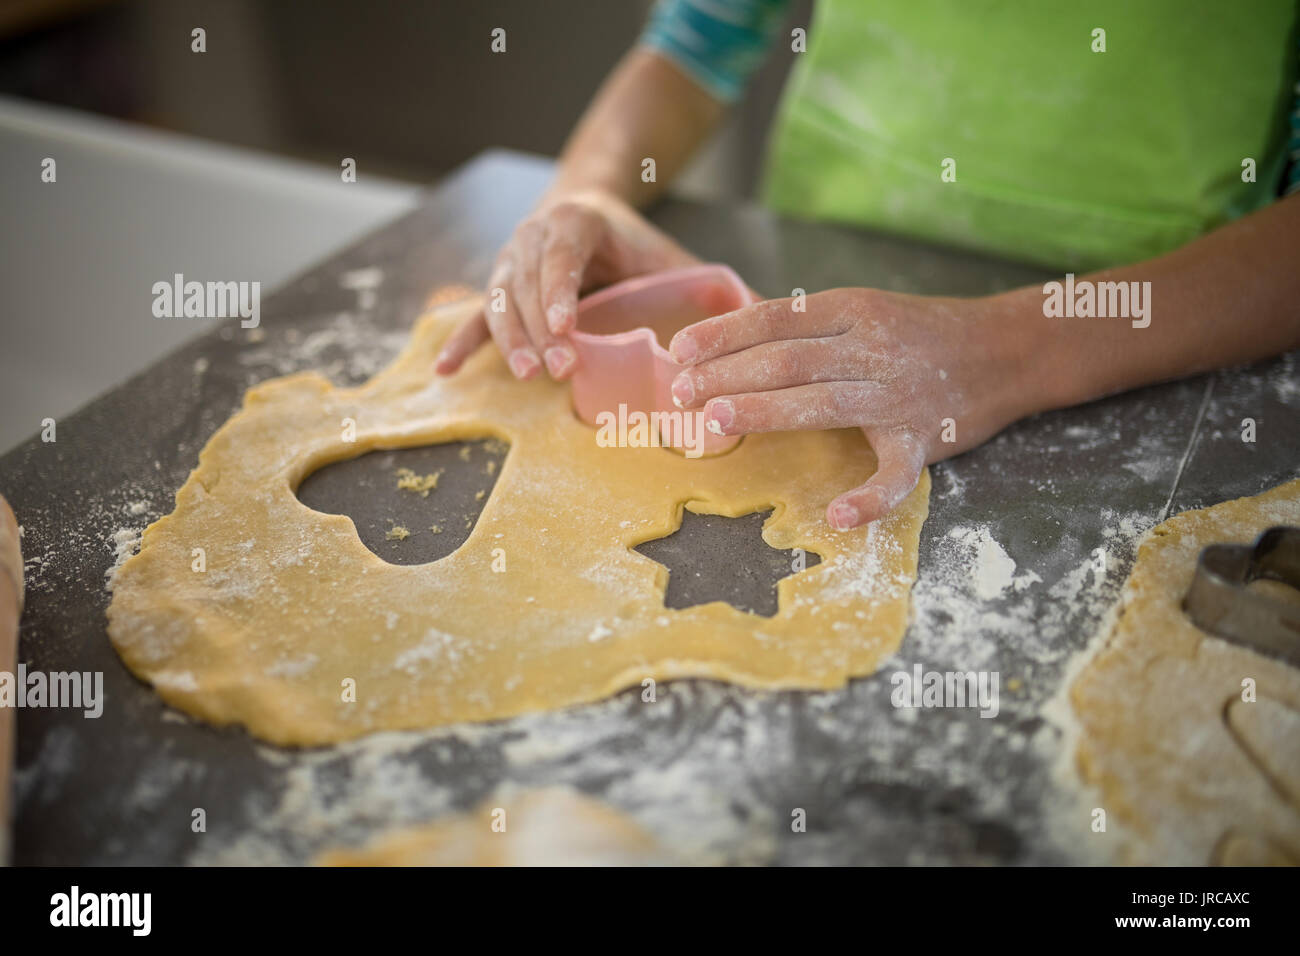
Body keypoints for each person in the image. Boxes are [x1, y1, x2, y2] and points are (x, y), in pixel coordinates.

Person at [436, 0, 1300, 531]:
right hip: (813, 265)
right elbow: (692, 47)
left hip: (1162, 326)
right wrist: (584, 198)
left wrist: (1004, 350)